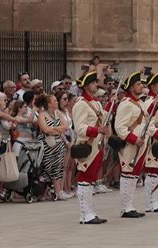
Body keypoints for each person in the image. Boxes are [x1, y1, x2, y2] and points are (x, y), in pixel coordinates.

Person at [72, 71, 108, 224]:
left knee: (91, 180)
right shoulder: (81, 104)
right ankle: (84, 214)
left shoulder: (96, 103)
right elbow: (79, 128)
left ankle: (89, 211)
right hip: (87, 145)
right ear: (86, 86)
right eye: (93, 83)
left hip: (97, 146)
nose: (96, 85)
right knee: (85, 180)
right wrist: (97, 130)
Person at [114, 71, 148, 218]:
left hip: (140, 145)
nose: (141, 86)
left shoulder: (139, 102)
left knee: (134, 175)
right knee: (128, 174)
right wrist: (134, 139)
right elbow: (120, 127)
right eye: (138, 84)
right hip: (130, 145)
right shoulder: (126, 104)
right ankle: (125, 207)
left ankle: (130, 205)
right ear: (132, 87)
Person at [35, 94, 69, 201]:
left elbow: (66, 127)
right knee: (46, 168)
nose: (57, 102)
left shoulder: (58, 113)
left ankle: (59, 191)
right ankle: (43, 192)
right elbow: (45, 130)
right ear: (49, 103)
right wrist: (58, 129)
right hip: (46, 146)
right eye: (55, 100)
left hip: (58, 145)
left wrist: (53, 128)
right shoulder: (42, 115)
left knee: (58, 167)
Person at [141, 72, 158, 213]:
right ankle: (150, 203)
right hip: (153, 140)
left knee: (157, 171)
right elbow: (149, 123)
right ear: (152, 85)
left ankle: (154, 201)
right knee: (152, 171)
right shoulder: (149, 102)